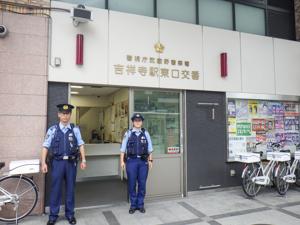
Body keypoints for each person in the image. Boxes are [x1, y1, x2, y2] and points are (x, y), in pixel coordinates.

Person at [41, 104, 87, 225]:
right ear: (59, 115)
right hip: (57, 163)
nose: (65, 116)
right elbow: (45, 146)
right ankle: (53, 216)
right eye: (63, 113)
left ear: (70, 115)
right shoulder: (53, 130)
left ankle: (70, 214)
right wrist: (43, 163)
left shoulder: (75, 130)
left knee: (70, 189)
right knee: (55, 189)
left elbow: (81, 144)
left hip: (71, 163)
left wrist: (83, 160)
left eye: (67, 114)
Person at [120, 113, 153, 214]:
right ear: (133, 122)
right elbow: (122, 149)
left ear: (142, 122)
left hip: (143, 162)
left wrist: (150, 160)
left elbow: (150, 149)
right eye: (136, 121)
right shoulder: (128, 133)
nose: (137, 122)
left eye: (139, 121)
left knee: (142, 184)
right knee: (132, 184)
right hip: (131, 162)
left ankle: (140, 205)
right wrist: (122, 161)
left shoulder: (145, 133)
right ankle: (133, 205)